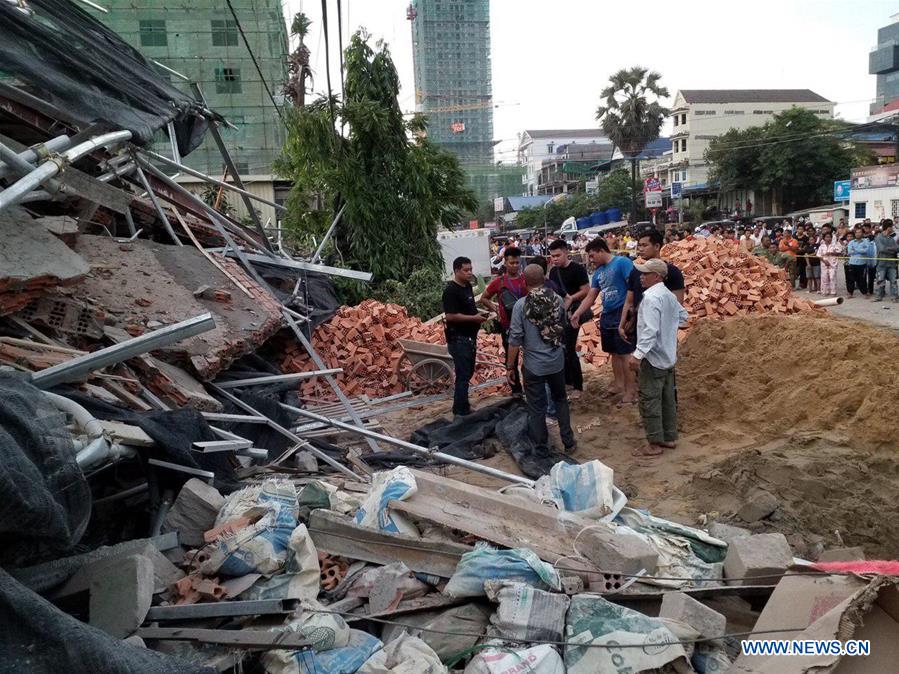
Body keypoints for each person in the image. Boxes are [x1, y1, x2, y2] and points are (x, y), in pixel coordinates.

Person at [507, 264, 577, 456]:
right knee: (560, 400)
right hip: (556, 362)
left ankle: (540, 448)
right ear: (545, 278)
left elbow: (514, 340)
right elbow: (562, 327)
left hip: (533, 366)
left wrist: (509, 366)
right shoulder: (557, 300)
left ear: (524, 281)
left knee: (537, 407)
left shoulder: (521, 305)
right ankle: (569, 442)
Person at [626, 259, 689, 457]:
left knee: (650, 399)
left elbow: (650, 331)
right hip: (668, 356)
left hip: (653, 358)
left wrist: (637, 355)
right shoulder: (668, 296)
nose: (641, 277)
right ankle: (669, 437)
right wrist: (669, 329)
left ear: (657, 276)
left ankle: (654, 443)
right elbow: (683, 316)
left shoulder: (652, 298)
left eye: (645, 274)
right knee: (667, 398)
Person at [618, 229, 685, 398]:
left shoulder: (672, 272)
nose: (640, 249)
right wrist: (622, 325)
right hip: (642, 331)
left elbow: (677, 306)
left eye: (644, 245)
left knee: (665, 374)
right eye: (638, 245)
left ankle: (668, 408)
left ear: (657, 246)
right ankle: (652, 410)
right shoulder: (636, 271)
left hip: (662, 334)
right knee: (645, 374)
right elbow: (629, 300)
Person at [571, 237, 636, 402]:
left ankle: (631, 391)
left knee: (625, 353)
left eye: (592, 256)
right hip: (607, 315)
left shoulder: (622, 263)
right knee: (613, 352)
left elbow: (633, 287)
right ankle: (619, 384)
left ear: (601, 250)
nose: (591, 260)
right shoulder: (599, 273)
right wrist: (578, 312)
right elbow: (591, 296)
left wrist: (631, 312)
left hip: (622, 313)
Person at [442, 257, 487, 417]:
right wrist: (474, 319)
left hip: (470, 338)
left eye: (471, 269)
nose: (470, 273)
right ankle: (460, 412)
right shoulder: (451, 291)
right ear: (456, 271)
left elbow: (470, 308)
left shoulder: (467, 286)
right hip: (459, 339)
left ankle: (463, 406)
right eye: (466, 270)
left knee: (467, 373)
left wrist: (479, 314)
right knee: (462, 375)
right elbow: (451, 316)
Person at [547, 239, 590, 398]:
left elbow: (586, 290)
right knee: (561, 349)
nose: (555, 259)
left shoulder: (577, 269)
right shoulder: (553, 271)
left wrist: (571, 298)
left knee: (570, 349)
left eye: (558, 255)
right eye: (552, 256)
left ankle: (578, 386)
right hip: (559, 314)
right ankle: (568, 381)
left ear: (566, 252)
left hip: (574, 313)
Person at [481, 247, 526, 394]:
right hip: (508, 326)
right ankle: (516, 391)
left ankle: (531, 388)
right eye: (511, 263)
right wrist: (497, 310)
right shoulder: (499, 283)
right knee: (510, 360)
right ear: (505, 263)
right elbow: (484, 298)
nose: (514, 265)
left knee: (530, 357)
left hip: (527, 326)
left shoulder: (525, 279)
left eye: (517, 263)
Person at [874, 220, 899, 302]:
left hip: (891, 264)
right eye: (892, 227)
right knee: (880, 280)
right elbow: (881, 249)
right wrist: (892, 249)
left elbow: (897, 248)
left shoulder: (891, 238)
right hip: (881, 263)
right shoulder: (878, 237)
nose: (893, 228)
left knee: (894, 281)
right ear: (888, 228)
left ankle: (894, 297)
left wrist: (889, 249)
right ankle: (878, 296)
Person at [846, 229, 874, 298]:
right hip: (852, 263)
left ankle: (864, 292)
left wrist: (855, 250)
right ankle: (850, 293)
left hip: (862, 263)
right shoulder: (851, 242)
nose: (858, 234)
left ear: (862, 234)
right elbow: (849, 252)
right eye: (856, 232)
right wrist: (860, 250)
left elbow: (866, 251)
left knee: (862, 279)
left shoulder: (866, 241)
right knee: (850, 279)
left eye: (859, 232)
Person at [804, 228, 821, 293]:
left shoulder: (817, 246)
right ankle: (810, 289)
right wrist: (808, 264)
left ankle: (818, 289)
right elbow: (805, 255)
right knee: (809, 277)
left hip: (816, 263)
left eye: (813, 239)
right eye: (810, 239)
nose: (811, 240)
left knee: (817, 277)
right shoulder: (807, 247)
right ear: (808, 241)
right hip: (809, 264)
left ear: (815, 240)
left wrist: (809, 255)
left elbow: (816, 253)